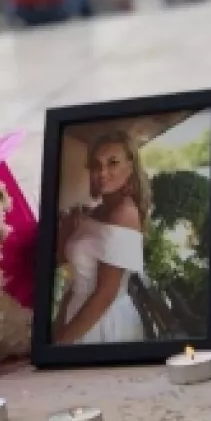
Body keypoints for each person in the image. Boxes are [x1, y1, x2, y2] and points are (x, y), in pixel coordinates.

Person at [53, 131, 148, 345]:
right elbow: (67, 264)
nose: (102, 172)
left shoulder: (123, 215)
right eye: (96, 165)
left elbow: (105, 294)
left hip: (102, 324)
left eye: (113, 163)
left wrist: (60, 345)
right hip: (77, 312)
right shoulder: (97, 211)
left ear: (130, 167)